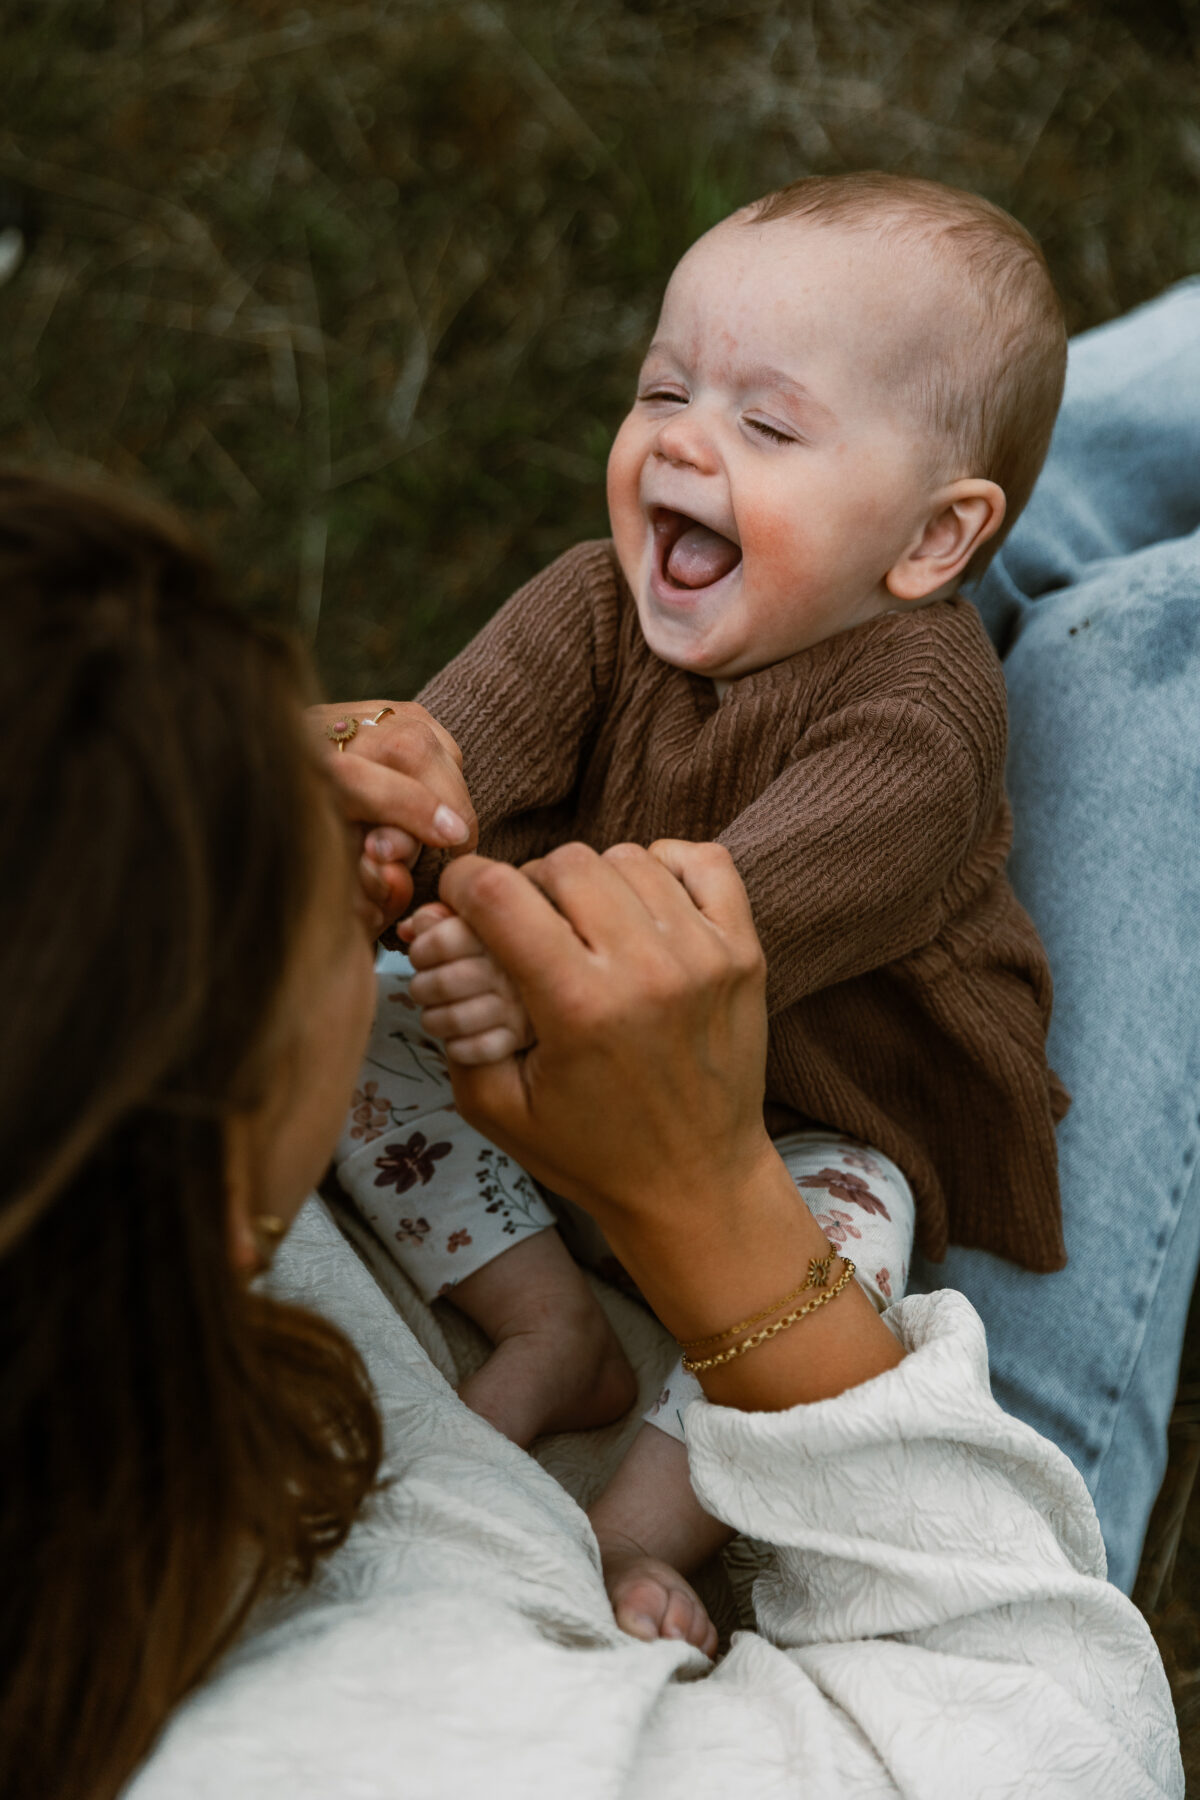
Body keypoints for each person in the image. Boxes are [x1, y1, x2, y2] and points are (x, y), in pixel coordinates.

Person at [0, 470, 1182, 1799]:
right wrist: (709, 1201)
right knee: (1158, 642)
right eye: (306, 905)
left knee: (871, 471)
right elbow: (1067, 1749)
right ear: (210, 1179)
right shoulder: (381, 1746)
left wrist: (179, 750)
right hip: (921, 1542)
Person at [329, 171, 1072, 1646]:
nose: (678, 436)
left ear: (932, 544)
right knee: (352, 1030)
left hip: (787, 1107)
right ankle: (548, 1323)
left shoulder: (922, 720)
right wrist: (389, 823)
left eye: (766, 424)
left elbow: (716, 928)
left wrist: (518, 962)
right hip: (552, 1051)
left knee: (853, 1230)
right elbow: (449, 776)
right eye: (663, 387)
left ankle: (634, 1530)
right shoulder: (589, 602)